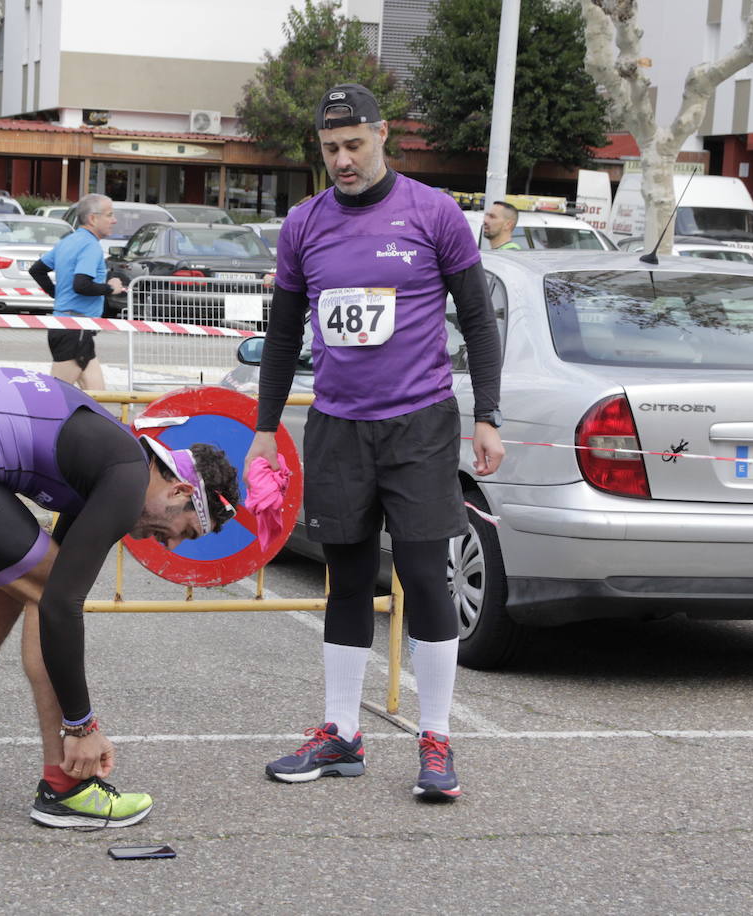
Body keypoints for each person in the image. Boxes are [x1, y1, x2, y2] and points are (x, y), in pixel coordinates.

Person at [244, 83, 505, 801]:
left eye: (354, 145)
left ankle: (437, 739)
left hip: (419, 426)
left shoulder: (434, 213)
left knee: (425, 580)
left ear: (383, 135)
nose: (343, 161)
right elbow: (284, 335)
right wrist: (265, 430)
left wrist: (488, 415)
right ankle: (340, 734)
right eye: (331, 149)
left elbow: (480, 323)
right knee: (347, 580)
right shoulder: (304, 225)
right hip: (338, 426)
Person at [0, 366, 240, 827]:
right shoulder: (127, 476)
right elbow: (59, 603)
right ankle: (67, 785)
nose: (168, 545)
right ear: (179, 489)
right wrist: (82, 727)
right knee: (46, 591)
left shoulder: (114, 459)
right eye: (185, 532)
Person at [28, 194, 125, 391]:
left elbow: (37, 270)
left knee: (98, 399)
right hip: (75, 328)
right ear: (93, 218)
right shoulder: (90, 245)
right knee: (55, 397)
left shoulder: (67, 241)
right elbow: (81, 285)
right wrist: (110, 288)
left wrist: (58, 295)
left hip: (75, 327)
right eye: (110, 215)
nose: (114, 220)